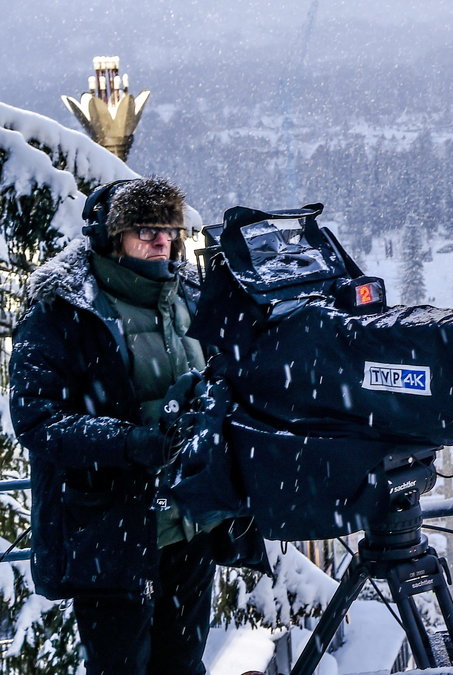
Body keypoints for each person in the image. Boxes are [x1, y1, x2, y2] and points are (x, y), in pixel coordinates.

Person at [8, 178, 268, 675]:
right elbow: (37, 420)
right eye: (145, 229)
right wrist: (131, 442)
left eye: (170, 230)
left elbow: (231, 378)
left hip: (190, 530)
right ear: (110, 236)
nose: (162, 241)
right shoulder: (64, 312)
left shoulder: (190, 296)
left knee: (182, 668)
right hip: (112, 535)